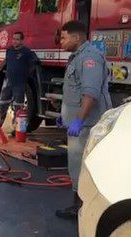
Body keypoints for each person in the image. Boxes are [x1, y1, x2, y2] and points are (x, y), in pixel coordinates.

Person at [56, 20, 112, 219]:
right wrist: (66, 117)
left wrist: (78, 120)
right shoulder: (76, 57)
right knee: (76, 163)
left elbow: (90, 94)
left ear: (76, 37)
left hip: (87, 124)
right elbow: (74, 92)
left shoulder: (89, 58)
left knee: (82, 164)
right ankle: (80, 206)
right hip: (78, 123)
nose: (60, 42)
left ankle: (82, 209)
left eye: (64, 37)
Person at [0, 31, 37, 134]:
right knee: (2, 105)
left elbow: (32, 66)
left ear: (22, 40)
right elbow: (6, 62)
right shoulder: (9, 50)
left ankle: (17, 129)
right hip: (8, 82)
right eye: (14, 39)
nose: (15, 41)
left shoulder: (27, 52)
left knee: (18, 107)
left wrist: (25, 76)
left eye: (17, 39)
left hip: (19, 83)